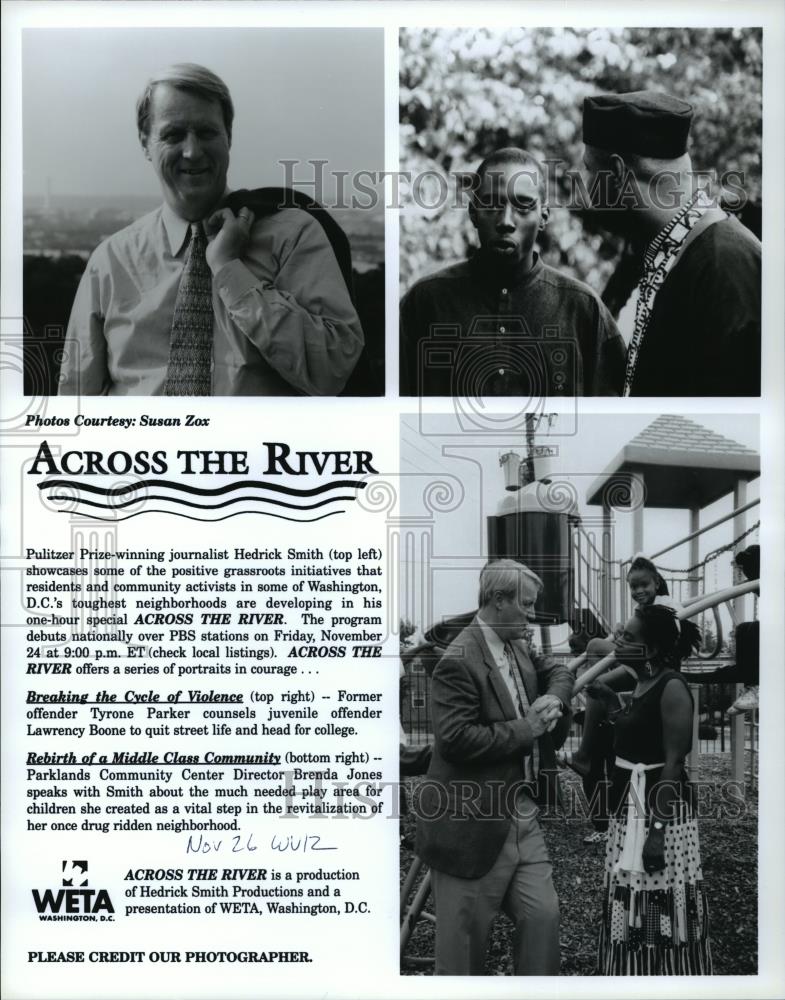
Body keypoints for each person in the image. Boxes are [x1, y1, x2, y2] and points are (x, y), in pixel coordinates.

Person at [58, 63, 363, 396]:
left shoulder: (293, 237)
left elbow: (334, 369)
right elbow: (75, 401)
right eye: (173, 135)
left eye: (206, 133)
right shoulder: (111, 262)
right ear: (145, 143)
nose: (192, 151)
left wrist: (231, 272)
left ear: (228, 136)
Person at [413, 559, 573, 975]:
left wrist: (554, 699)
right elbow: (456, 739)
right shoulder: (458, 659)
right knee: (463, 948)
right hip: (471, 822)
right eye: (525, 604)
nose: (531, 614)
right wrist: (528, 728)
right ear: (499, 600)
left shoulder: (517, 643)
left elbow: (557, 670)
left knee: (543, 917)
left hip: (520, 812)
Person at [399, 148, 626, 397]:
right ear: (473, 213)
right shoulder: (425, 302)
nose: (506, 221)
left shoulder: (583, 310)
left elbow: (613, 420)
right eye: (492, 204)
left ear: (544, 216)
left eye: (523, 206)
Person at [581, 90, 761, 396]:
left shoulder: (726, 266)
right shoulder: (665, 250)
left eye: (588, 171)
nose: (583, 189)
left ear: (616, 172)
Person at [589, 603, 711, 974]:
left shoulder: (671, 686)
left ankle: (667, 975)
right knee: (631, 890)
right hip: (630, 803)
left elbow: (673, 764)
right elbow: (637, 738)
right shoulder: (640, 680)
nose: (618, 639)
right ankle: (631, 973)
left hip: (661, 813)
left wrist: (657, 833)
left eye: (627, 636)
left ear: (651, 649)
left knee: (660, 894)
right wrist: (613, 708)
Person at [561, 555, 686, 843]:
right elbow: (628, 644)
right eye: (633, 587)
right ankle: (593, 734)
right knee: (595, 655)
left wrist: (625, 640)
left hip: (652, 668)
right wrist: (621, 636)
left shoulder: (665, 607)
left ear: (656, 581)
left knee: (597, 673)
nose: (639, 591)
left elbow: (661, 644)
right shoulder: (644, 609)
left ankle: (585, 751)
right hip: (637, 667)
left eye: (643, 584)